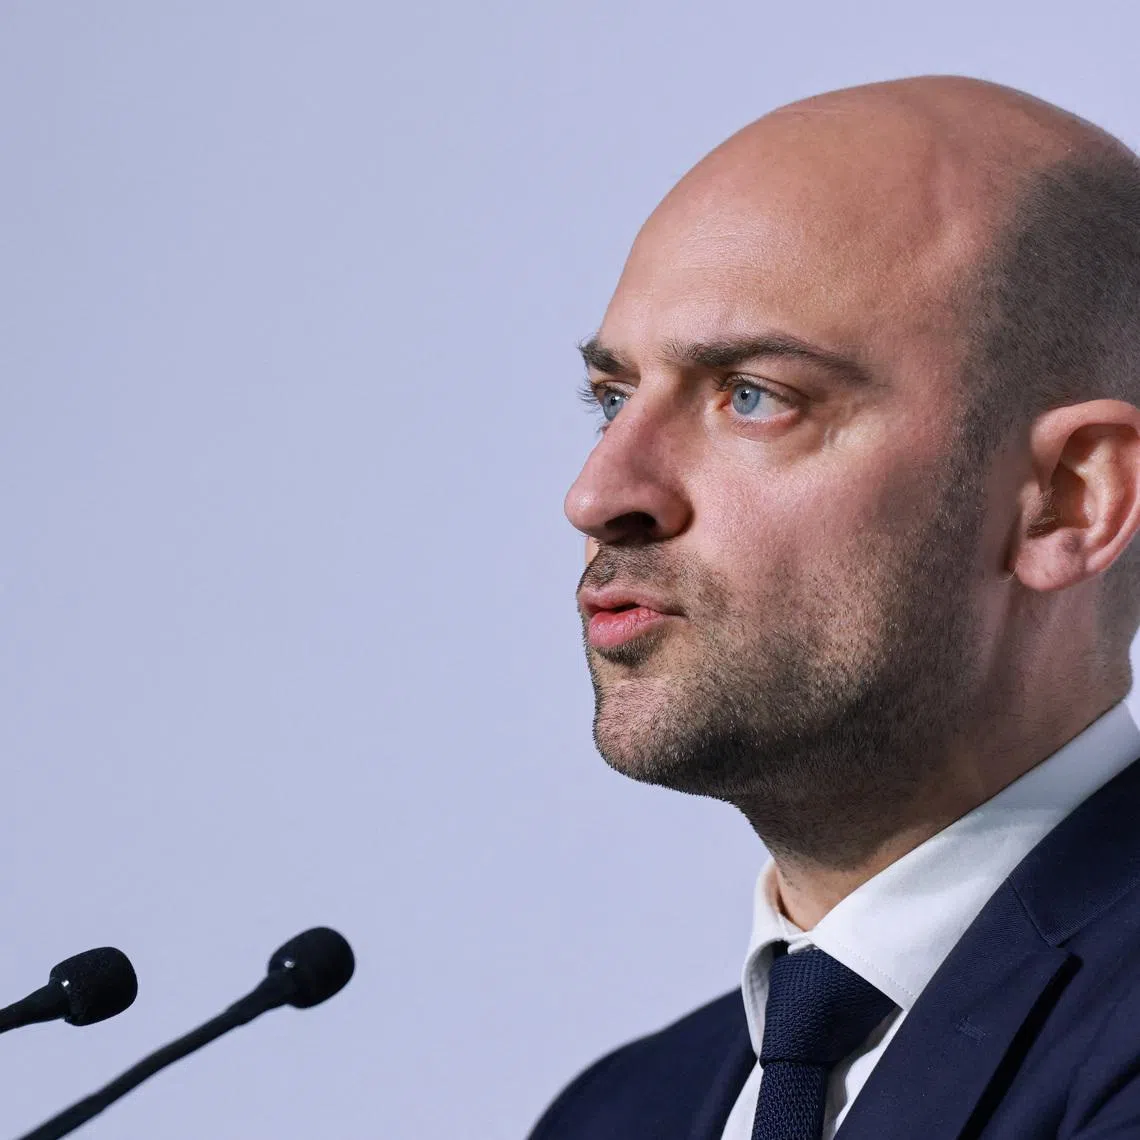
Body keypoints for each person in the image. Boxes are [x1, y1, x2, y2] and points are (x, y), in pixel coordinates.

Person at [527, 75, 1140, 1140]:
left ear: (1068, 503)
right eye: (613, 399)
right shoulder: (615, 1114)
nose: (600, 494)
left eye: (753, 395)